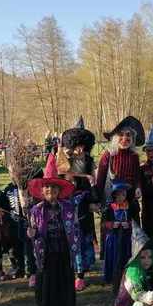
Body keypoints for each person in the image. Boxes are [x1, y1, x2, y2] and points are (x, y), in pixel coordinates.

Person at [27, 153, 80, 306]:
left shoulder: (68, 207)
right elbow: (33, 230)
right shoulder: (36, 210)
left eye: (54, 187)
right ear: (42, 191)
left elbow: (75, 226)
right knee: (46, 280)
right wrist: (31, 233)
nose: (50, 190)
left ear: (59, 190)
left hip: (64, 248)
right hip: (46, 250)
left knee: (64, 278)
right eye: (47, 187)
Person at [96, 116, 144, 257]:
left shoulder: (134, 156)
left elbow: (137, 176)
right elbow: (100, 179)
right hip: (111, 198)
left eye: (128, 135)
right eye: (121, 135)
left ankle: (131, 255)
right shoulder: (108, 155)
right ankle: (109, 257)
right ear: (115, 138)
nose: (125, 138)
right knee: (111, 228)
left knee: (130, 227)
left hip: (129, 198)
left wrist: (138, 187)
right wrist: (98, 199)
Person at [61, 117, 98, 291]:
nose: (80, 148)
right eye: (77, 145)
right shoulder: (65, 160)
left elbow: (93, 183)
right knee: (71, 237)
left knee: (84, 235)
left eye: (83, 145)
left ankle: (82, 271)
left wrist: (93, 200)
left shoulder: (89, 161)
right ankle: (73, 271)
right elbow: (63, 179)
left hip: (85, 203)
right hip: (69, 203)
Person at [103, 180, 139, 295]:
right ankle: (115, 283)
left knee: (126, 258)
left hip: (127, 239)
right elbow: (104, 223)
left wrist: (129, 224)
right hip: (114, 239)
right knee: (115, 260)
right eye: (118, 195)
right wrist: (112, 224)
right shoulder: (109, 207)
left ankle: (128, 282)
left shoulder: (131, 206)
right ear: (114, 195)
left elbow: (136, 222)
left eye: (123, 195)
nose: (120, 197)